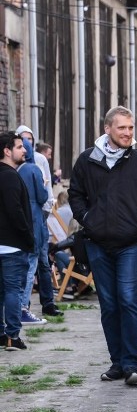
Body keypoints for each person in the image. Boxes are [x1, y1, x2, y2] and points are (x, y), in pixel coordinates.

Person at [68, 106, 137, 386]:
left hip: (131, 243)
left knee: (129, 302)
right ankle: (117, 363)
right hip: (97, 243)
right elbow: (75, 194)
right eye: (122, 128)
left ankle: (132, 364)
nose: (128, 133)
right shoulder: (87, 160)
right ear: (107, 129)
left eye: (131, 128)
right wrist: (87, 219)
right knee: (108, 304)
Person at [0, 132, 34, 351]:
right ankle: (12, 335)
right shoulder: (11, 176)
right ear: (7, 150)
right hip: (12, 244)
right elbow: (15, 211)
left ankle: (2, 334)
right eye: (20, 146)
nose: (25, 150)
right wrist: (28, 237)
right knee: (13, 290)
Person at [17, 138, 53, 324]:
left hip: (20, 221)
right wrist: (45, 183)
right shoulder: (32, 170)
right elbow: (42, 195)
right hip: (34, 220)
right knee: (32, 265)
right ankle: (23, 308)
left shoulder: (14, 170)